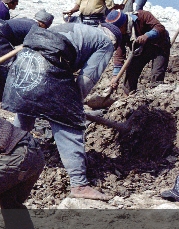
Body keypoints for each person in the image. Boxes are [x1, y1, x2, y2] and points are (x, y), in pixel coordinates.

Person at [6, 22, 120, 200]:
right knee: (69, 125)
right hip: (49, 63)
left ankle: (8, 157)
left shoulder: (78, 28)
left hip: (24, 62)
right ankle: (79, 184)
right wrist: (73, 105)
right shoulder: (106, 43)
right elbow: (87, 78)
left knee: (26, 108)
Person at [104, 9, 170, 93]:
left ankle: (156, 95)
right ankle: (128, 95)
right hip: (141, 49)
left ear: (122, 25)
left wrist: (147, 35)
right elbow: (119, 54)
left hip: (159, 45)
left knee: (157, 74)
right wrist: (115, 76)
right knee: (131, 73)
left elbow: (160, 28)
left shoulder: (143, 15)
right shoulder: (121, 34)